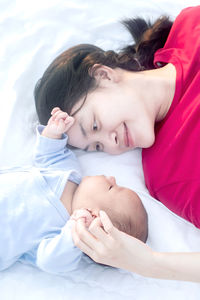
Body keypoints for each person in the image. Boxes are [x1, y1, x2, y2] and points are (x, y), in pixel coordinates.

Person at [34, 5, 200, 282]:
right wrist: (148, 263)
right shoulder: (168, 174)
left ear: (104, 75)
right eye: (97, 147)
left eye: (95, 125)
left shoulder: (189, 26)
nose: (111, 144)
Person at [0, 107, 147, 275]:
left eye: (112, 187)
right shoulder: (70, 173)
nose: (112, 178)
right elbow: (50, 156)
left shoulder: (64, 232)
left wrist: (77, 231)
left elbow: (51, 262)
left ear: (95, 216)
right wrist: (53, 133)